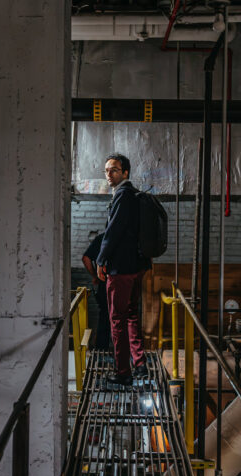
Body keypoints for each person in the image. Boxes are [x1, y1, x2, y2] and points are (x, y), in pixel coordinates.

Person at [95, 153, 151, 386]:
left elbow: (113, 232)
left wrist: (100, 260)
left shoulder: (123, 195)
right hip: (137, 266)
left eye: (114, 170)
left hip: (121, 269)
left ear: (125, 172)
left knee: (117, 319)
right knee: (130, 315)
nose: (109, 174)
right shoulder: (134, 194)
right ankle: (139, 363)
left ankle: (123, 372)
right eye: (107, 170)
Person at [81, 231, 111, 350]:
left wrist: (95, 276)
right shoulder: (129, 236)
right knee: (125, 318)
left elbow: (86, 258)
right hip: (125, 285)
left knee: (104, 317)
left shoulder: (101, 238)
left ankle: (102, 350)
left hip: (105, 285)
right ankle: (125, 352)